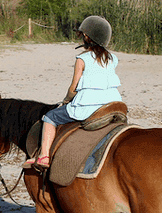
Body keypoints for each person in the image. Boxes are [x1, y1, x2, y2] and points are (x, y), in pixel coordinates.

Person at [23, 16, 122, 170]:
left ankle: (44, 156)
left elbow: (73, 88)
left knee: (50, 117)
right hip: (112, 104)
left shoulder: (82, 58)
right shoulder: (113, 58)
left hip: (88, 107)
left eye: (83, 35)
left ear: (87, 37)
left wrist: (66, 100)